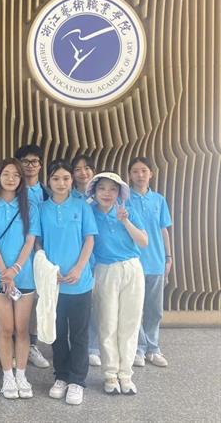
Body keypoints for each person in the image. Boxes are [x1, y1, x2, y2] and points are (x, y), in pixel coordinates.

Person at [0, 158, 40, 400]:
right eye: (6, 174)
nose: (11, 178)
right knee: (6, 327)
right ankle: (7, 376)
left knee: (22, 329)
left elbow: (30, 241)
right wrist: (5, 272)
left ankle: (21, 374)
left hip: (24, 275)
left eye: (16, 175)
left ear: (21, 179)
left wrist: (15, 269)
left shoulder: (30, 206)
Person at [40, 160, 98, 405]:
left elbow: (89, 239)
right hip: (53, 284)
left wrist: (78, 268)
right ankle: (61, 376)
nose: (61, 183)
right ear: (49, 181)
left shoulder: (82, 206)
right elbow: (37, 242)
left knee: (79, 334)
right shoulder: (42, 208)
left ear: (71, 180)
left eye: (65, 178)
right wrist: (48, 270)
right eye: (56, 179)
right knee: (58, 333)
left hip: (79, 282)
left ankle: (77, 380)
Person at [87, 172, 148, 395]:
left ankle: (126, 374)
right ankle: (110, 374)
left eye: (113, 189)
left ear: (119, 192)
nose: (107, 193)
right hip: (105, 270)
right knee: (107, 323)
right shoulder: (89, 212)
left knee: (130, 323)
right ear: (94, 191)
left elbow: (143, 241)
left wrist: (125, 221)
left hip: (132, 268)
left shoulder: (127, 210)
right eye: (102, 188)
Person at [128, 157, 173, 368]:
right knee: (134, 309)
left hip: (156, 262)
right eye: (135, 171)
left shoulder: (159, 200)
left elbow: (164, 230)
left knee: (154, 310)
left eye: (144, 171)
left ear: (151, 174)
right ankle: (138, 348)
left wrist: (168, 257)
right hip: (133, 262)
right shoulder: (124, 199)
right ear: (129, 175)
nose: (140, 175)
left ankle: (153, 349)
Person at [14, 144, 50, 368]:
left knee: (36, 300)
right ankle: (16, 345)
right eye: (25, 161)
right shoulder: (11, 190)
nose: (30, 165)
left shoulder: (48, 192)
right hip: (17, 253)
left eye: (34, 161)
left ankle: (32, 345)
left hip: (40, 254)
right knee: (15, 299)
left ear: (40, 164)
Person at [71, 154, 101, 367]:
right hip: (76, 258)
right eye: (78, 169)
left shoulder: (103, 194)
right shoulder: (68, 196)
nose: (83, 173)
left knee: (95, 305)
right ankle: (75, 345)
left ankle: (93, 347)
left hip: (102, 257)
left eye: (87, 168)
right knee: (78, 305)